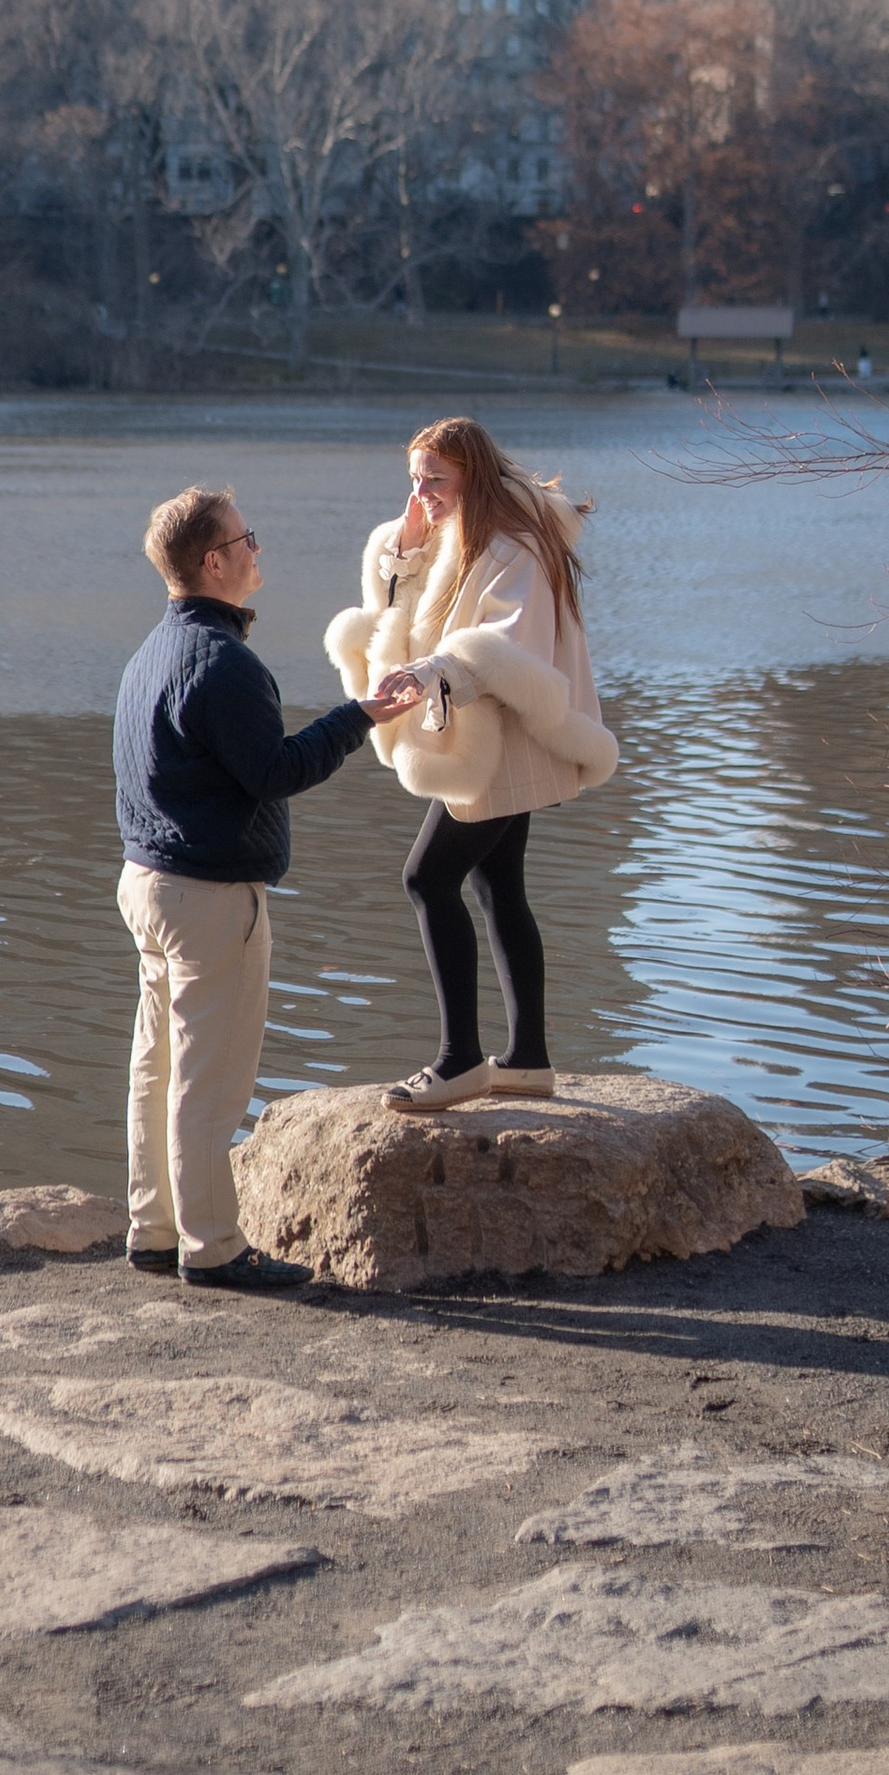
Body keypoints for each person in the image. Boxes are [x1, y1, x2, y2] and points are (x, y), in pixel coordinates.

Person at [114, 483, 419, 1291]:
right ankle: (211, 1248)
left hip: (145, 882)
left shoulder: (152, 651)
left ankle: (154, 1230)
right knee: (206, 1080)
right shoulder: (225, 662)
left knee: (157, 1067)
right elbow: (276, 772)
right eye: (247, 539)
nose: (258, 550)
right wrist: (360, 716)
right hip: (207, 897)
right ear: (213, 561)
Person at [325, 414, 617, 1112]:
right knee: (497, 887)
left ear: (473, 476)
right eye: (415, 478)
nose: (422, 491)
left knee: (428, 878)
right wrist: (405, 547)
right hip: (496, 741)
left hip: (504, 746)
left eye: (436, 479)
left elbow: (505, 641)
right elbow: (405, 605)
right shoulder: (465, 529)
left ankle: (459, 1061)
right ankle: (527, 1061)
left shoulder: (516, 542)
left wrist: (434, 669)